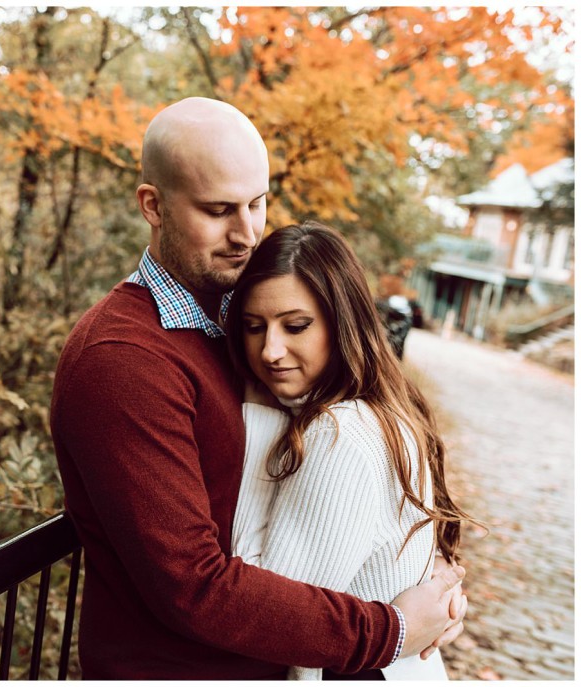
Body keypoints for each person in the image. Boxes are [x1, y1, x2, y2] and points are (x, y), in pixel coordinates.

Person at [50, 97, 467, 679]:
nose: (246, 235)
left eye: (256, 203)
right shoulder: (123, 360)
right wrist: (390, 631)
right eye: (218, 210)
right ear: (154, 205)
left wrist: (430, 588)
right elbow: (192, 586)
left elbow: (362, 474)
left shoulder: (234, 322)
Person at [227, 221, 473, 680]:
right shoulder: (382, 410)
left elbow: (266, 610)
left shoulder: (341, 432)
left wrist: (258, 418)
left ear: (342, 322)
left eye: (296, 326)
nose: (271, 351)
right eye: (254, 327)